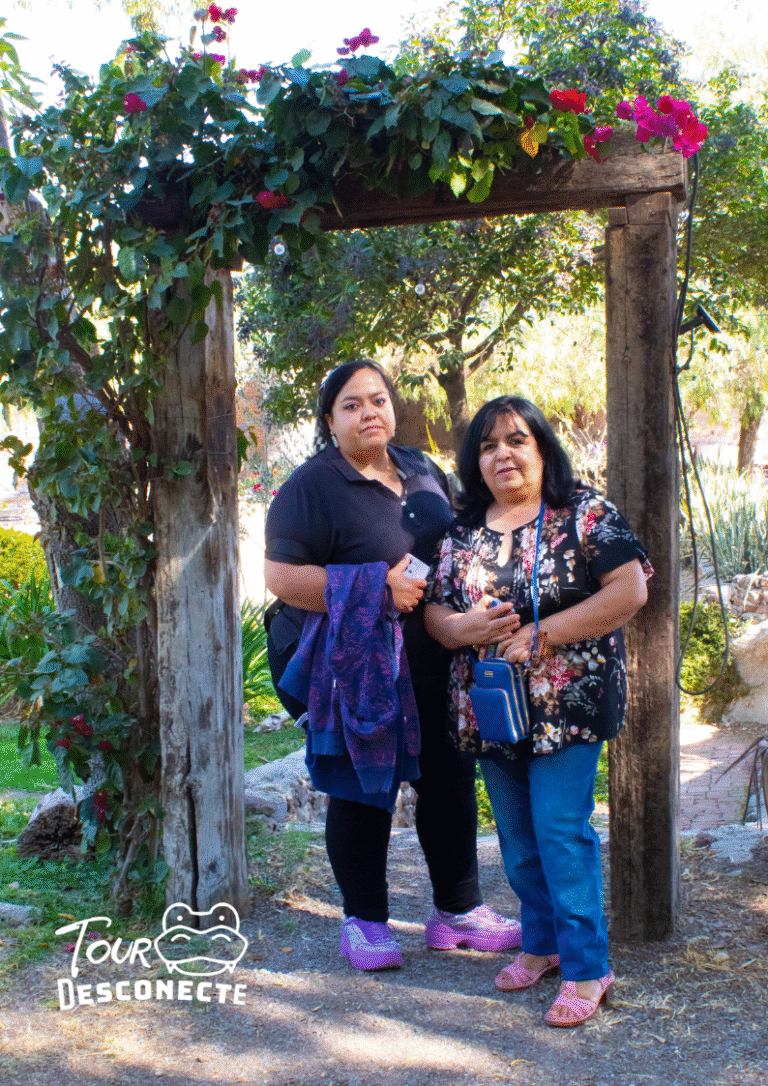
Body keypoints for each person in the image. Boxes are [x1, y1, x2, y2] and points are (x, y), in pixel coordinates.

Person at [263, 361, 522, 972]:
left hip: (435, 651)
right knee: (362, 787)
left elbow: (461, 539)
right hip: (352, 665)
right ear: (330, 420)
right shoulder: (311, 486)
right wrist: (373, 588)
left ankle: (457, 913)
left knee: (449, 777)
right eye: (351, 405)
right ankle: (367, 921)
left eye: (377, 400)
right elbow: (280, 579)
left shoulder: (421, 469)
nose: (368, 413)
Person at [424, 395, 651, 1026]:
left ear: (542, 449)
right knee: (519, 840)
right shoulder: (462, 530)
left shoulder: (583, 513)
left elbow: (630, 589)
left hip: (568, 707)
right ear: (475, 461)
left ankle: (588, 966)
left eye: (516, 440)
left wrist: (545, 632)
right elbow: (434, 615)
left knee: (558, 830)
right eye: (489, 446)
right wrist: (462, 626)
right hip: (492, 709)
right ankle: (543, 944)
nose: (503, 455)